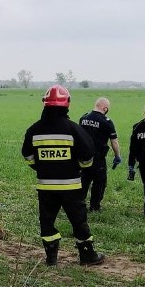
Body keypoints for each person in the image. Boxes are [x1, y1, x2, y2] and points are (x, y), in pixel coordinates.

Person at [22, 85, 106, 267]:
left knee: (47, 222)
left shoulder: (34, 130)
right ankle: (87, 256)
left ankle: (51, 258)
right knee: (79, 221)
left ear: (45, 104)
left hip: (46, 187)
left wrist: (41, 168)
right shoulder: (73, 129)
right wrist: (79, 168)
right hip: (71, 187)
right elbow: (88, 155)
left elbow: (27, 155)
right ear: (66, 104)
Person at [78, 97, 122, 212]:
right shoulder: (106, 122)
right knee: (99, 182)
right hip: (98, 158)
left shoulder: (83, 118)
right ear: (105, 108)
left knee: (84, 180)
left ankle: (79, 203)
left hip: (84, 157)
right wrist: (117, 156)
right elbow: (114, 141)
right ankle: (94, 206)